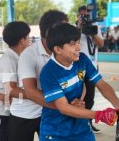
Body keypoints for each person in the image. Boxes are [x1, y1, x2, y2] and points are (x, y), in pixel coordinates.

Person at [39, 23, 119, 141]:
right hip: (56, 132)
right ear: (58, 49)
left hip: (81, 127)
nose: (79, 47)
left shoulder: (82, 59)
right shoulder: (49, 73)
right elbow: (64, 108)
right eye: (73, 44)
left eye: (78, 42)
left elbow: (101, 83)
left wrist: (117, 102)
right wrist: (99, 115)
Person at [17, 10, 69, 140]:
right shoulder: (29, 55)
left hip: (50, 114)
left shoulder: (63, 51)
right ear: (49, 32)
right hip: (25, 115)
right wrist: (63, 107)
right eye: (63, 29)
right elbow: (30, 92)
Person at [0, 21, 31, 141]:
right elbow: (11, 90)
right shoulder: (9, 60)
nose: (30, 40)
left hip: (5, 112)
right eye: (28, 37)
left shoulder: (16, 57)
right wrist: (35, 95)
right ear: (22, 40)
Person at [77, 5, 104, 133]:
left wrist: (92, 34)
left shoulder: (94, 28)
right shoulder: (73, 28)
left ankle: (88, 123)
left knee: (89, 97)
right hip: (77, 68)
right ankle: (77, 122)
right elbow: (70, 40)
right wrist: (80, 27)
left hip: (92, 67)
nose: (85, 18)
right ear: (77, 16)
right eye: (83, 16)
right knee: (77, 96)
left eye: (87, 16)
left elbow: (101, 44)